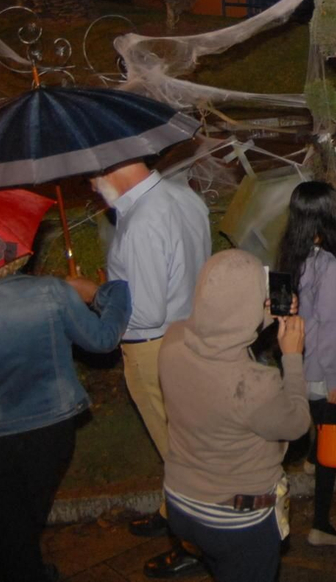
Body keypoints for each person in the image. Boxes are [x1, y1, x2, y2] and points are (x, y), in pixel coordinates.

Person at [0, 258, 131, 582]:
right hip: (51, 430)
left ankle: (26, 570)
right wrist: (115, 292)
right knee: (23, 524)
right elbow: (103, 339)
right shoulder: (52, 292)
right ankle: (30, 570)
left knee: (11, 530)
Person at [159, 250, 310, 582]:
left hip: (182, 504)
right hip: (235, 522)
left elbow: (220, 329)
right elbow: (297, 423)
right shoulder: (255, 385)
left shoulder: (172, 341)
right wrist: (293, 357)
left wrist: (265, 315)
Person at [93, 159, 212, 577]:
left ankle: (193, 543)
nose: (91, 185)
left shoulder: (142, 222)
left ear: (115, 168)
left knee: (179, 455)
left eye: (94, 175)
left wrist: (98, 293)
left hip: (153, 349)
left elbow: (143, 311)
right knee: (183, 438)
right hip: (189, 334)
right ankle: (171, 511)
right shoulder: (183, 195)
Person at [276, 181, 336, 546]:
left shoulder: (289, 254)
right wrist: (333, 379)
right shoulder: (326, 262)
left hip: (295, 358)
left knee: (316, 420)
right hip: (321, 363)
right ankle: (321, 525)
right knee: (331, 440)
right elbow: (329, 325)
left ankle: (309, 456)